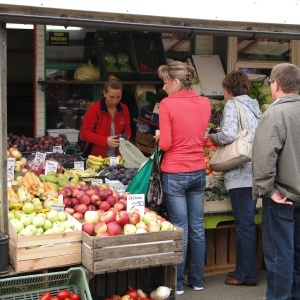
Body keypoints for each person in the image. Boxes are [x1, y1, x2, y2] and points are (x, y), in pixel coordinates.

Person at [155, 60, 211, 295]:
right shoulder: (205, 102)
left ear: (176, 82)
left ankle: (176, 283)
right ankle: (197, 279)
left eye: (166, 83)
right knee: (197, 226)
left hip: (175, 172)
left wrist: (159, 138)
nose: (164, 88)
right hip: (198, 170)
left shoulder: (167, 105)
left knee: (180, 228)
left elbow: (167, 143)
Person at [252, 63, 300, 300]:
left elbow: (263, 156)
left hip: (283, 197)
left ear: (276, 84)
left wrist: (267, 190)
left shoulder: (274, 113)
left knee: (280, 257)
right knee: (298, 256)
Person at [208, 70, 261, 286]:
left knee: (244, 225)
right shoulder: (255, 107)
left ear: (228, 90)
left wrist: (213, 136)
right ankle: (246, 269)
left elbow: (228, 134)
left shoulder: (232, 104)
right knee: (248, 223)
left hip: (240, 174)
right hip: (254, 172)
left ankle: (245, 274)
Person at [81, 75, 131, 158]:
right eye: (111, 97)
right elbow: (85, 133)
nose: (115, 100)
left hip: (119, 155)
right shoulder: (94, 109)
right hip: (96, 156)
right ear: (104, 93)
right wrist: (105, 140)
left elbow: (127, 129)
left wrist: (125, 138)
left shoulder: (124, 108)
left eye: (118, 97)